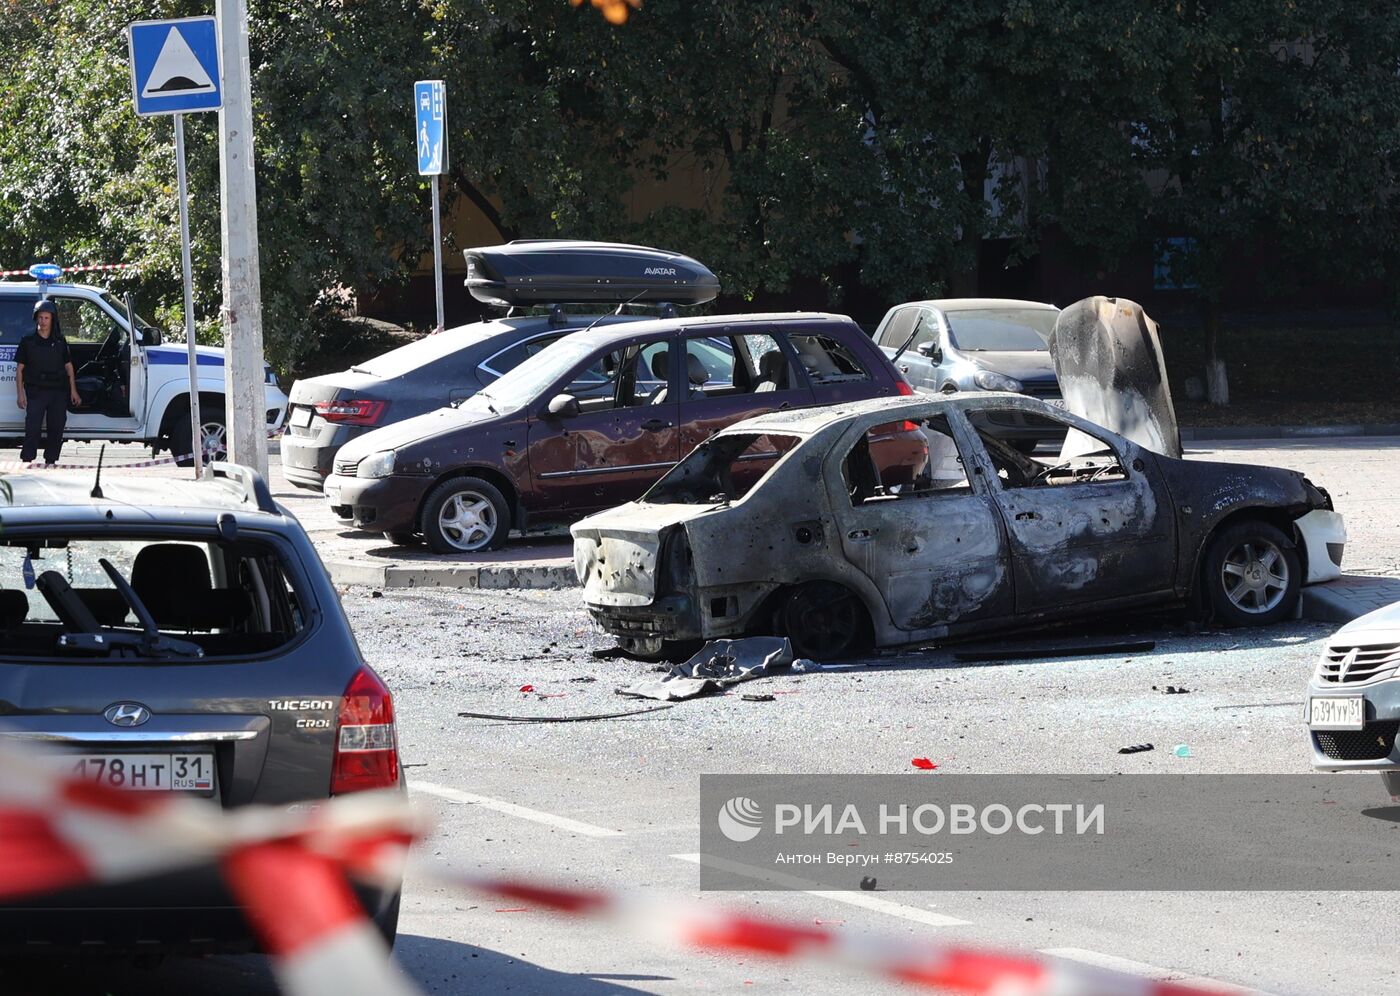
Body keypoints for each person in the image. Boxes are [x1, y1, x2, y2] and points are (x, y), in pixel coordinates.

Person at [16, 299, 81, 466]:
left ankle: (51, 460)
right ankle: (27, 459)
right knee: (32, 427)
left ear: (52, 320)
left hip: (58, 391)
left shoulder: (60, 341)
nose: (43, 321)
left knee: (57, 426)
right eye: (40, 317)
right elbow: (20, 370)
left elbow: (69, 367)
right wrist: (20, 394)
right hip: (36, 391)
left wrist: (73, 390)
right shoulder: (28, 341)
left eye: (46, 318)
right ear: (36, 318)